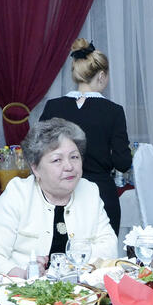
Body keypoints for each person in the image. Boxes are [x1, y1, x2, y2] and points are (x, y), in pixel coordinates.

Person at [0, 119, 116, 276]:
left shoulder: (89, 191)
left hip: (80, 287)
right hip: (26, 288)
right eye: (57, 160)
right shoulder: (18, 193)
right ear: (35, 168)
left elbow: (110, 247)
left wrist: (69, 267)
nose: (69, 166)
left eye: (74, 157)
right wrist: (24, 274)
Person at [39, 39, 132, 235]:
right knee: (102, 253)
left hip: (59, 195)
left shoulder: (53, 107)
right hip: (101, 195)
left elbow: (37, 154)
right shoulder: (113, 111)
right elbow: (122, 162)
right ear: (101, 76)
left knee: (59, 251)